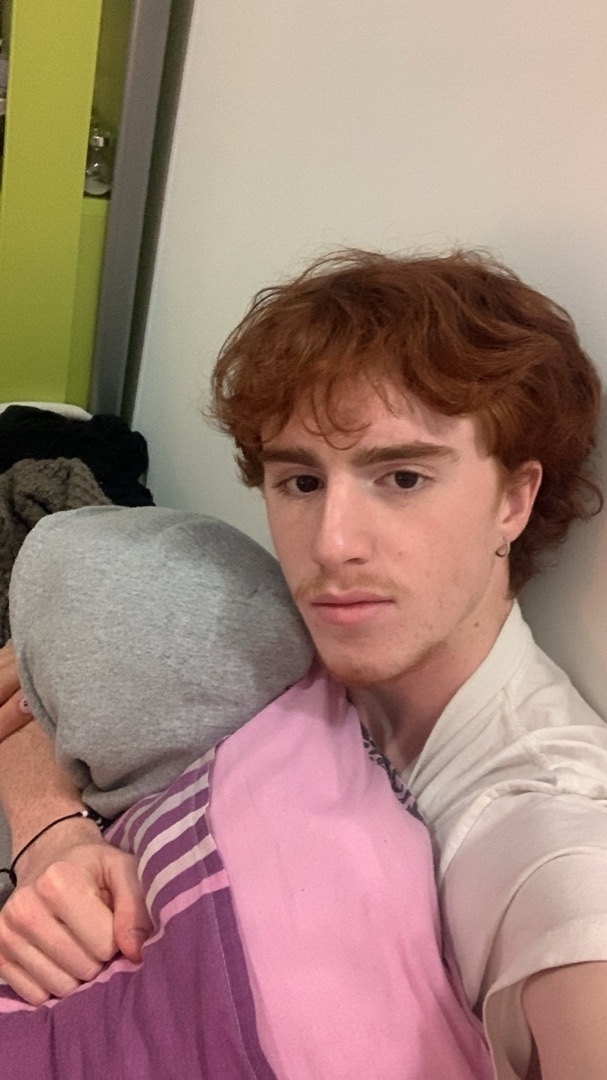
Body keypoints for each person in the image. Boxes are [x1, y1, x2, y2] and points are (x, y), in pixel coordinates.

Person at [0, 247, 606, 1079]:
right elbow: (23, 692)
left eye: (401, 477)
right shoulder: (281, 639)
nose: (331, 544)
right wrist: (51, 835)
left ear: (514, 498)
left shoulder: (545, 832)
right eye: (301, 482)